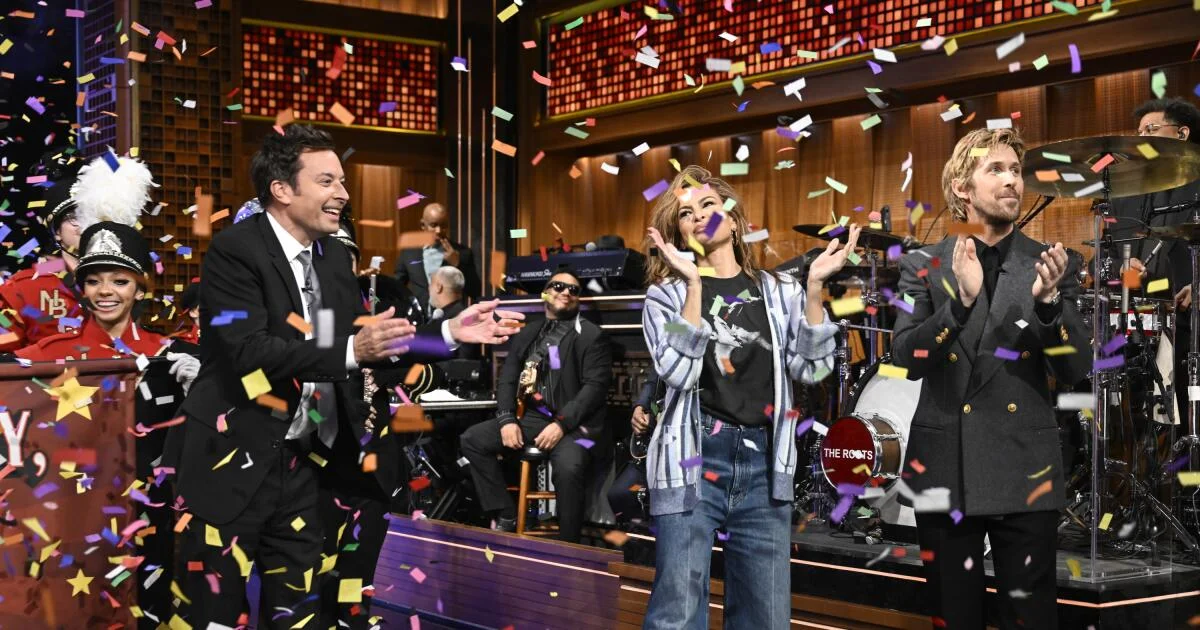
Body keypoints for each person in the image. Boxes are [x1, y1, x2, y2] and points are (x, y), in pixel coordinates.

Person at [166, 124, 524, 629]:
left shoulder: (333, 257)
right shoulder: (235, 250)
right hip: (232, 460)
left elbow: (364, 345)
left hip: (306, 466)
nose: (343, 193)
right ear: (282, 189)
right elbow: (249, 352)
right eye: (327, 181)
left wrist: (447, 332)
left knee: (300, 616)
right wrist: (354, 349)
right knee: (212, 616)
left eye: (342, 180)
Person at [891, 127, 1092, 629]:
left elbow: (1076, 370)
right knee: (953, 617)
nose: (1011, 181)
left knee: (1030, 619)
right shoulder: (923, 264)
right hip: (945, 469)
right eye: (995, 169)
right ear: (962, 187)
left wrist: (1050, 306)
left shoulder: (1050, 263)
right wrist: (958, 306)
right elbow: (905, 358)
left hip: (1024, 466)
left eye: (1016, 171)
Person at [640, 165, 857, 627]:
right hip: (693, 457)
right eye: (686, 214)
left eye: (708, 204)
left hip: (764, 462)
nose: (699, 215)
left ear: (734, 221)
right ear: (680, 234)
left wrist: (814, 288)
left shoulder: (779, 290)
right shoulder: (666, 296)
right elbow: (677, 372)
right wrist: (694, 286)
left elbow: (813, 369)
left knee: (765, 617)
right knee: (677, 613)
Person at [13, 163, 199, 628]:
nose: (106, 292)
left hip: (151, 516)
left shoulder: (169, 353)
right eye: (94, 280)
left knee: (151, 613)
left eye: (119, 280)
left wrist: (203, 385)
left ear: (140, 287)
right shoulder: (50, 355)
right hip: (77, 515)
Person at [459, 269, 613, 543]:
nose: (566, 292)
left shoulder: (592, 335)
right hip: (533, 418)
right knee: (472, 439)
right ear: (545, 293)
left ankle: (569, 547)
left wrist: (561, 424)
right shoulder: (529, 332)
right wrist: (507, 419)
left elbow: (594, 389)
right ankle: (506, 513)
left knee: (568, 467)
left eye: (574, 290)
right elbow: (508, 379)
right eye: (558, 286)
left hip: (576, 427)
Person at [0, 169, 91, 352]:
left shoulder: (126, 281)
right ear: (57, 232)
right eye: (75, 217)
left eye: (95, 215)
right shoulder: (23, 288)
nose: (88, 224)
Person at [394, 202, 482, 307]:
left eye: (443, 225)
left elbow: (475, 291)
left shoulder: (462, 252)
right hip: (419, 315)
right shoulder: (409, 253)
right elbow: (397, 287)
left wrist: (458, 264)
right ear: (423, 225)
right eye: (433, 225)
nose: (439, 230)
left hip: (450, 316)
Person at [606, 369, 659, 526]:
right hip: (650, 455)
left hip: (686, 461)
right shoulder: (664, 357)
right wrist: (639, 407)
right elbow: (652, 382)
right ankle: (635, 538)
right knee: (620, 493)